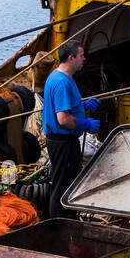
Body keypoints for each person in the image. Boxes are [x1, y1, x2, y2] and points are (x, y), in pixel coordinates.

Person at [41, 38, 101, 219]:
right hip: (63, 143)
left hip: (63, 142)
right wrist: (86, 124)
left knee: (65, 183)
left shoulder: (59, 77)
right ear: (71, 58)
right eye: (81, 56)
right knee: (62, 186)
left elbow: (64, 108)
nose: (84, 59)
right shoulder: (62, 83)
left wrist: (83, 106)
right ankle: (59, 225)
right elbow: (63, 119)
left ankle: (65, 222)